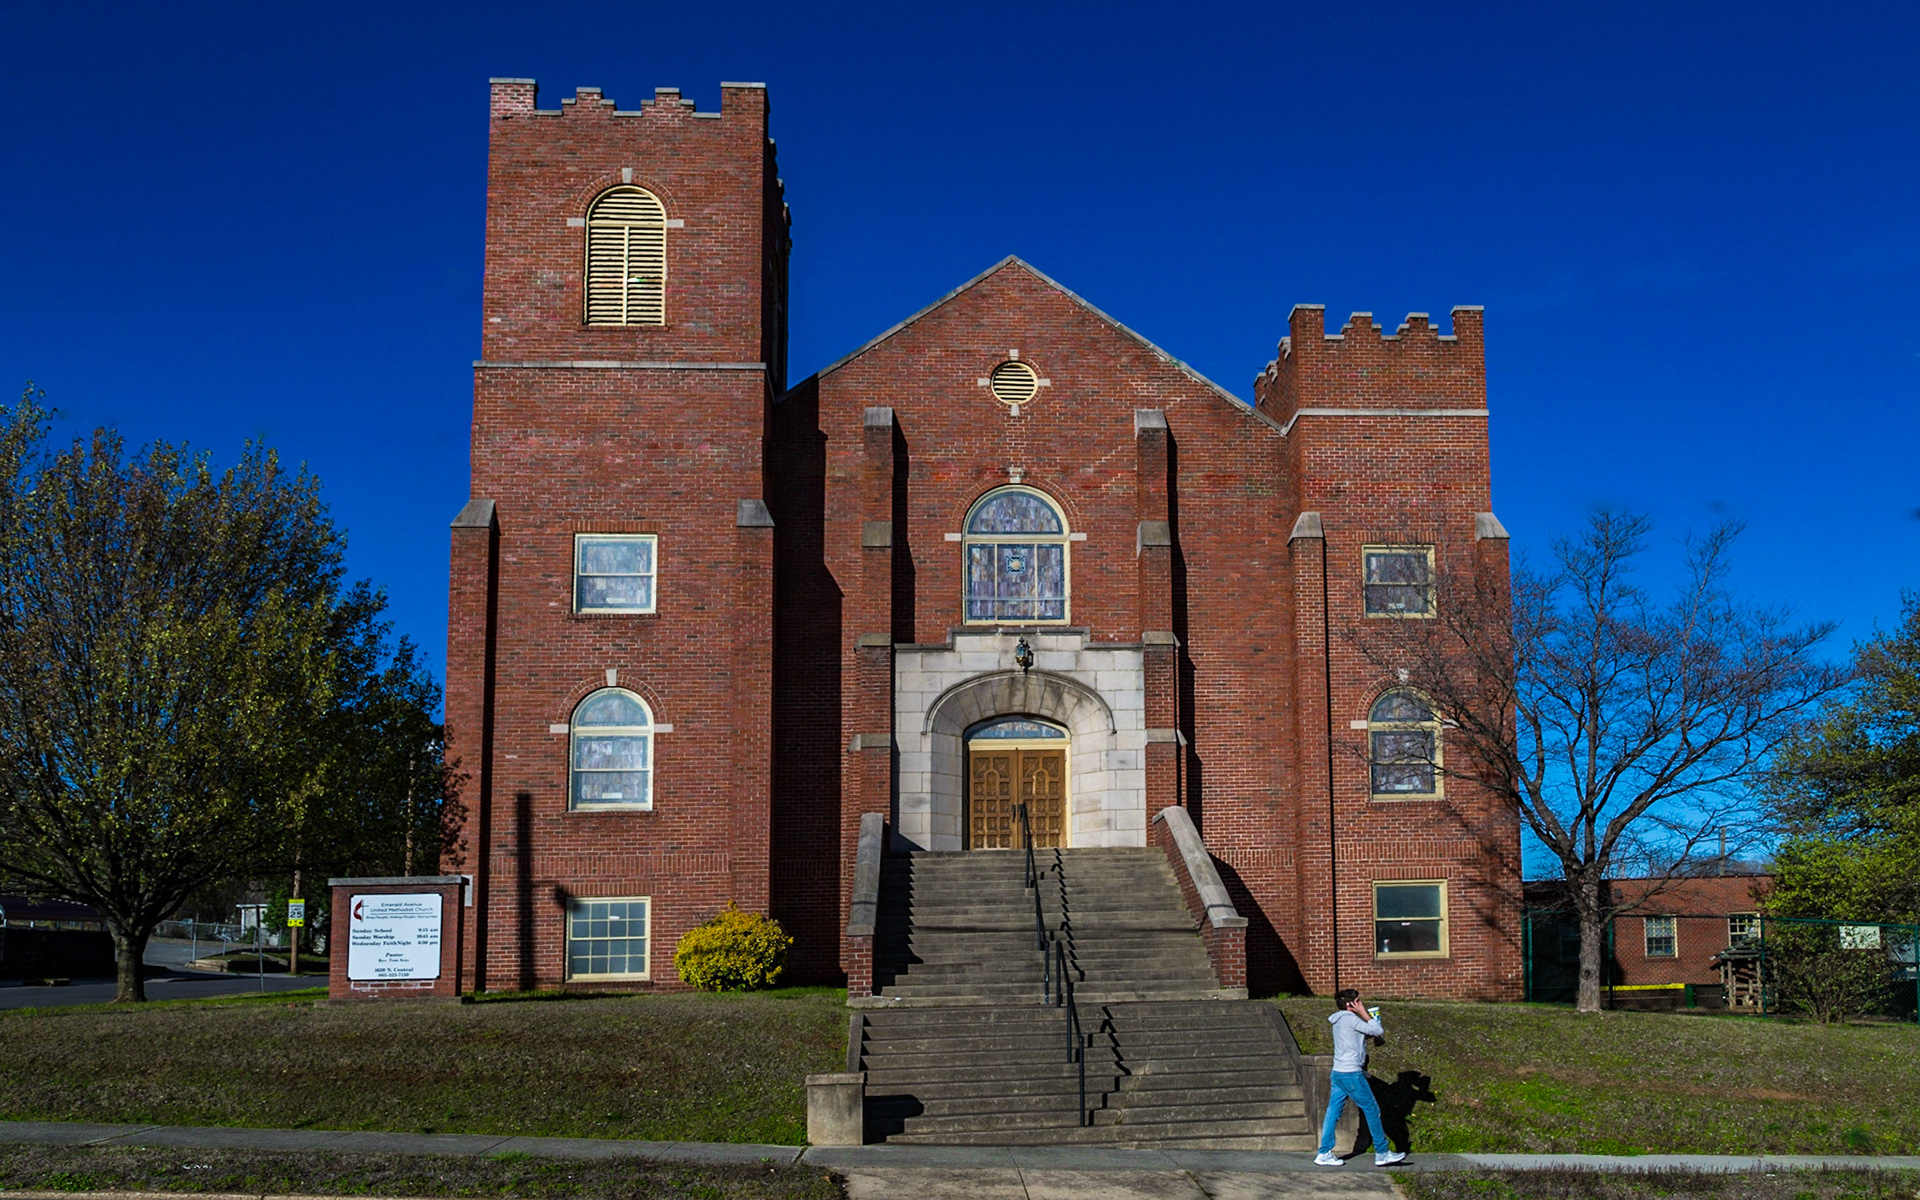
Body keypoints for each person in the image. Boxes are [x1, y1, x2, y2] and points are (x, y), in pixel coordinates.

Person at [1313, 989, 1406, 1167]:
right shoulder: (1352, 1018)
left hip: (1338, 1072)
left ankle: (1324, 1152)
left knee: (1333, 1111)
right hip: (1351, 1074)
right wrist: (1365, 1013)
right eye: (1358, 1001)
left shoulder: (1339, 1020)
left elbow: (1361, 1034)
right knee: (1371, 1109)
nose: (1361, 1003)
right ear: (1350, 1005)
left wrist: (1372, 1034)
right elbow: (1378, 1029)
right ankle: (1382, 1152)